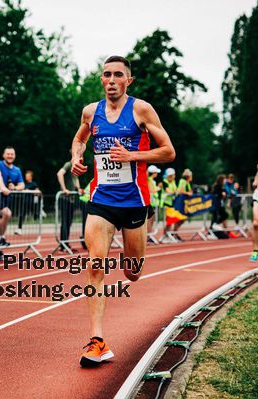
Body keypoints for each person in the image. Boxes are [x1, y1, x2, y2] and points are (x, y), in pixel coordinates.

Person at [70, 55, 175, 367]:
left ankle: (130, 253)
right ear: (101, 80)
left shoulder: (141, 109)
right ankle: (97, 341)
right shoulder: (91, 111)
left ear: (129, 80)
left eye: (118, 75)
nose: (111, 80)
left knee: (133, 272)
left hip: (133, 200)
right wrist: (77, 157)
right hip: (101, 198)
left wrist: (133, 155)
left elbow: (168, 151)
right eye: (106, 74)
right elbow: (79, 139)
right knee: (95, 264)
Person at [0, 147, 24, 245]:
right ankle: (0, 238)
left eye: (12, 154)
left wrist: (14, 188)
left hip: (7, 198)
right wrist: (3, 188)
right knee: (6, 214)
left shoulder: (17, 170)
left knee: (3, 218)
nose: (10, 156)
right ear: (3, 155)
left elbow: (22, 185)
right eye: (8, 154)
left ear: (14, 156)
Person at [57, 158, 83, 252]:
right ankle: (63, 245)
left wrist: (79, 189)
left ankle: (65, 244)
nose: (80, 158)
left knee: (69, 221)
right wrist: (64, 189)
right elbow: (59, 173)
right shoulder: (68, 163)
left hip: (71, 199)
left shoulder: (75, 167)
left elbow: (75, 179)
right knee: (65, 221)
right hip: (64, 198)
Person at [160, 168, 178, 241]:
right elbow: (168, 191)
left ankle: (167, 235)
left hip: (171, 204)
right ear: (169, 175)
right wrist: (174, 192)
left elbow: (175, 190)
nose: (174, 176)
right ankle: (164, 235)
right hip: (165, 204)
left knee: (171, 221)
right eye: (173, 175)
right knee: (168, 221)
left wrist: (175, 192)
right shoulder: (164, 182)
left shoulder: (173, 182)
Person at [173, 168, 193, 234]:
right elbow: (180, 190)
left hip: (185, 203)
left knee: (183, 219)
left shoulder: (188, 183)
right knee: (179, 218)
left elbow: (190, 191)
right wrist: (188, 193)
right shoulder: (182, 181)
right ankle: (173, 233)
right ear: (188, 176)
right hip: (180, 202)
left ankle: (174, 232)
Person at [146, 165, 161, 235]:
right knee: (150, 219)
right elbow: (152, 190)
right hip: (151, 203)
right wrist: (158, 188)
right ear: (153, 173)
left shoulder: (151, 180)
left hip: (153, 203)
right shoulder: (149, 180)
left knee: (152, 219)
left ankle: (149, 234)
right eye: (156, 173)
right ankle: (148, 235)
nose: (157, 174)